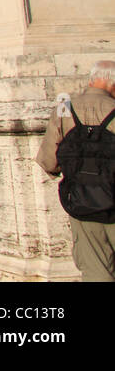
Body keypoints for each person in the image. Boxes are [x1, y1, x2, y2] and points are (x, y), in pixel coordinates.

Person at [36, 61, 115, 281]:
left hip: (82, 203)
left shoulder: (64, 107)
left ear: (91, 80)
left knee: (96, 271)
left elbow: (48, 162)